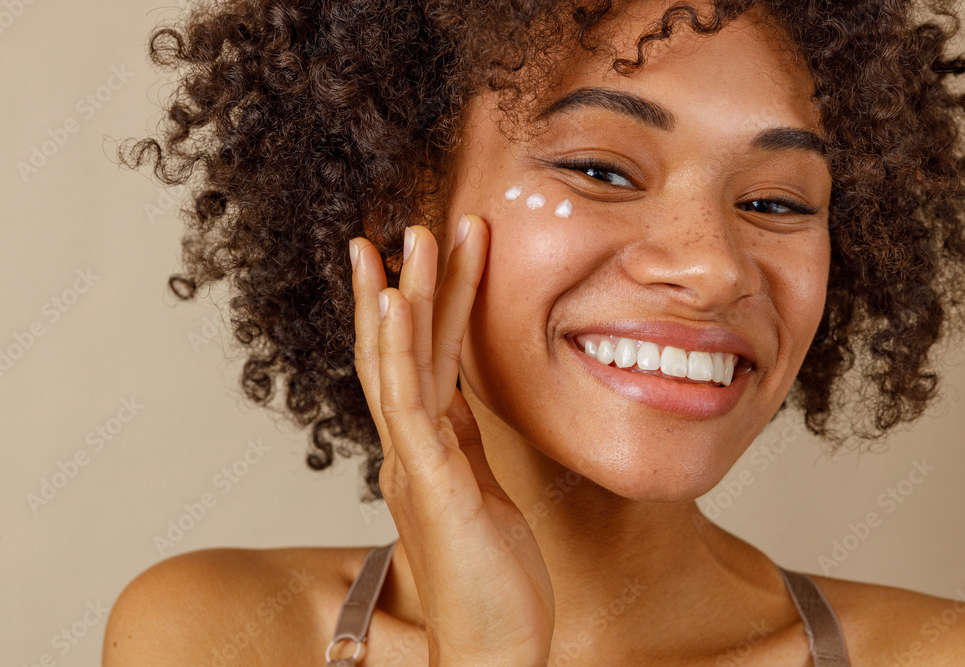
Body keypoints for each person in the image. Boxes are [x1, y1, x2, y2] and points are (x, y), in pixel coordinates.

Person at [103, 0, 965, 664]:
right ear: (404, 198)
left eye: (776, 202)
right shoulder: (218, 633)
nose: (715, 269)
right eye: (600, 169)